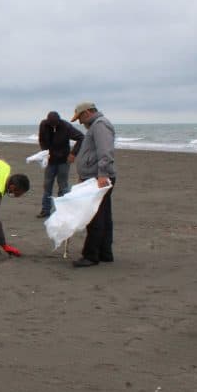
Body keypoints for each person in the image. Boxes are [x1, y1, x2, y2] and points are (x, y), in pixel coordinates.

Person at [70, 101, 117, 268]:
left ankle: (91, 255)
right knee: (103, 215)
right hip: (94, 176)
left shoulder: (100, 125)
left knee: (95, 216)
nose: (81, 123)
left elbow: (105, 151)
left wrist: (102, 174)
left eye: (80, 118)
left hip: (99, 177)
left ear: (87, 113)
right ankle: (105, 253)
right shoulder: (97, 125)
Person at [37, 111, 85, 218]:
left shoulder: (66, 126)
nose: (53, 126)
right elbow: (41, 140)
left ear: (59, 120)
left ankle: (62, 210)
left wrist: (73, 154)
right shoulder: (43, 125)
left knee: (63, 185)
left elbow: (81, 137)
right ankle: (45, 210)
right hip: (50, 160)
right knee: (47, 185)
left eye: (55, 124)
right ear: (48, 121)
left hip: (64, 160)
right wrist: (44, 152)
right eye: (51, 124)